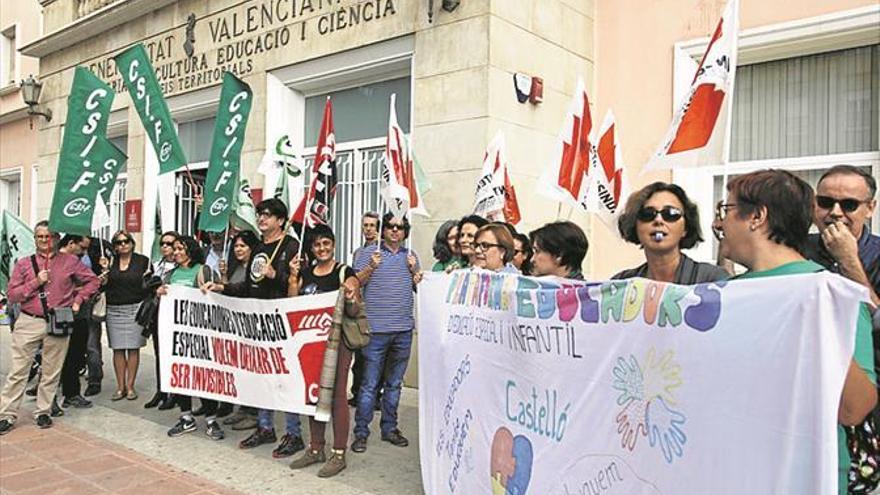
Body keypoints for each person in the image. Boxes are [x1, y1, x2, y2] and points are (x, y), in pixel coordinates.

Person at [711, 169, 876, 494]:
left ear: (757, 216)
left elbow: (854, 408)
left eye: (725, 211)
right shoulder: (720, 296)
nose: (719, 224)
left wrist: (820, 322)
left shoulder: (829, 292)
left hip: (808, 476)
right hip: (733, 470)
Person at [202, 198, 302, 457]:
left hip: (281, 321)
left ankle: (294, 433)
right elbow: (247, 286)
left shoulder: (291, 246)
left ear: (280, 220)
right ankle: (265, 426)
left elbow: (297, 285)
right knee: (263, 377)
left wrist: (275, 276)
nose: (262, 219)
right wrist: (221, 287)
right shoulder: (258, 247)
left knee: (286, 379)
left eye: (267, 215)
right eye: (260, 214)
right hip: (257, 321)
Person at [0, 221, 100, 435]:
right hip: (29, 320)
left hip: (59, 319)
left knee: (51, 369)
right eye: (40, 237)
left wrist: (79, 299)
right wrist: (36, 282)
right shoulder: (24, 263)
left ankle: (43, 410)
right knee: (19, 370)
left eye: (49, 236)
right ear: (35, 239)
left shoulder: (70, 261)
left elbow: (93, 281)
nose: (45, 240)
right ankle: (7, 414)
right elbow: (13, 295)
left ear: (56, 239)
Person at [287, 224, 360, 477]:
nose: (322, 248)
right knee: (313, 394)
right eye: (317, 244)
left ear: (333, 245)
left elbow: (353, 311)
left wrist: (351, 297)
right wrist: (293, 279)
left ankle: (339, 453)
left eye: (326, 243)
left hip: (337, 344)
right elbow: (293, 304)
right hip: (311, 345)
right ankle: (316, 448)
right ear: (312, 248)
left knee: (338, 395)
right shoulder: (306, 273)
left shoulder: (345, 272)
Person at [351, 213, 421, 453]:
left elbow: (418, 287)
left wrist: (415, 273)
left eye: (399, 227)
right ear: (383, 230)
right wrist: (371, 267)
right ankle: (361, 432)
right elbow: (354, 283)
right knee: (369, 385)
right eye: (390, 226)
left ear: (405, 232)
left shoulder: (411, 257)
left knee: (394, 385)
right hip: (376, 332)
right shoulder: (367, 254)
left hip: (403, 331)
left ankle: (390, 428)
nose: (394, 230)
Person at [161, 236, 224, 440]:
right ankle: (186, 417)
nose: (176, 252)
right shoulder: (171, 274)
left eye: (181, 248)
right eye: (175, 248)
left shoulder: (202, 270)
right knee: (181, 376)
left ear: (191, 250)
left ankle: (211, 419)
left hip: (201, 335)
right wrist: (160, 292)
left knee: (203, 376)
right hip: (178, 335)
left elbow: (216, 294)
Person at [613, 182, 729, 283]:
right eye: (648, 214)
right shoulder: (621, 285)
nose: (658, 220)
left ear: (686, 228)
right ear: (635, 225)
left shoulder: (711, 279)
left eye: (670, 214)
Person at [804, 165, 879, 306]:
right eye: (825, 202)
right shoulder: (796, 248)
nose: (835, 212)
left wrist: (848, 261)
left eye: (849, 204)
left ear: (870, 208)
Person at [100, 230, 151, 401]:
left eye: (126, 241)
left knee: (133, 348)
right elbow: (104, 285)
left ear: (132, 243)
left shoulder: (142, 261)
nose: (123, 245)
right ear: (114, 246)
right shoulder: (110, 261)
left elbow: (147, 283)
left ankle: (130, 386)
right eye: (119, 242)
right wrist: (104, 271)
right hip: (114, 309)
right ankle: (120, 386)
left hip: (135, 308)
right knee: (118, 348)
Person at [217, 230, 261, 431]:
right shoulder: (235, 267)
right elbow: (228, 292)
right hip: (235, 326)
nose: (238, 249)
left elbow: (245, 290)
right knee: (240, 368)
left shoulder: (256, 268)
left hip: (252, 324)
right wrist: (224, 275)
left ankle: (255, 413)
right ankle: (243, 408)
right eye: (236, 246)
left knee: (253, 370)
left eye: (242, 246)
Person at [56, 234, 96, 410]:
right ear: (71, 244)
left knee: (76, 354)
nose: (84, 252)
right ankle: (49, 400)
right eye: (82, 248)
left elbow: (92, 281)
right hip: (60, 312)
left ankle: (71, 394)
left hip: (80, 314)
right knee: (55, 356)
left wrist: (81, 295)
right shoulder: (56, 260)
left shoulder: (77, 261)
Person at [144, 231, 179, 410]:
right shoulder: (157, 264)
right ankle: (161, 390)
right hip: (157, 314)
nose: (165, 247)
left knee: (173, 355)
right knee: (160, 354)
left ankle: (175, 393)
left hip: (175, 317)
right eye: (163, 243)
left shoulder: (181, 267)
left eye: (169, 243)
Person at [349, 212, 380, 407]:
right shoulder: (358, 253)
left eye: (372, 225)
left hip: (378, 310)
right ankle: (357, 392)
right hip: (361, 310)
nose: (368, 228)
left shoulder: (381, 251)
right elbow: (355, 280)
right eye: (365, 225)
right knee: (360, 356)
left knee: (375, 357)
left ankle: (375, 395)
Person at [84, 237, 112, 397]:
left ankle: (94, 380)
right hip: (69, 302)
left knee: (91, 344)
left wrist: (104, 270)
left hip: (91, 302)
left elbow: (109, 278)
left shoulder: (100, 247)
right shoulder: (67, 247)